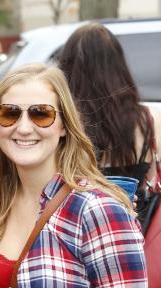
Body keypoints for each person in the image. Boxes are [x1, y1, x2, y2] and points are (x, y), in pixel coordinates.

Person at [0, 63, 147, 287]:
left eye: (41, 114)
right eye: (11, 113)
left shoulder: (97, 210)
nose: (24, 128)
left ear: (64, 125)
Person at [57, 22, 161, 287]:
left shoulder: (64, 123)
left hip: (75, 236)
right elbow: (150, 178)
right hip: (134, 234)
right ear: (118, 65)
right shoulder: (145, 120)